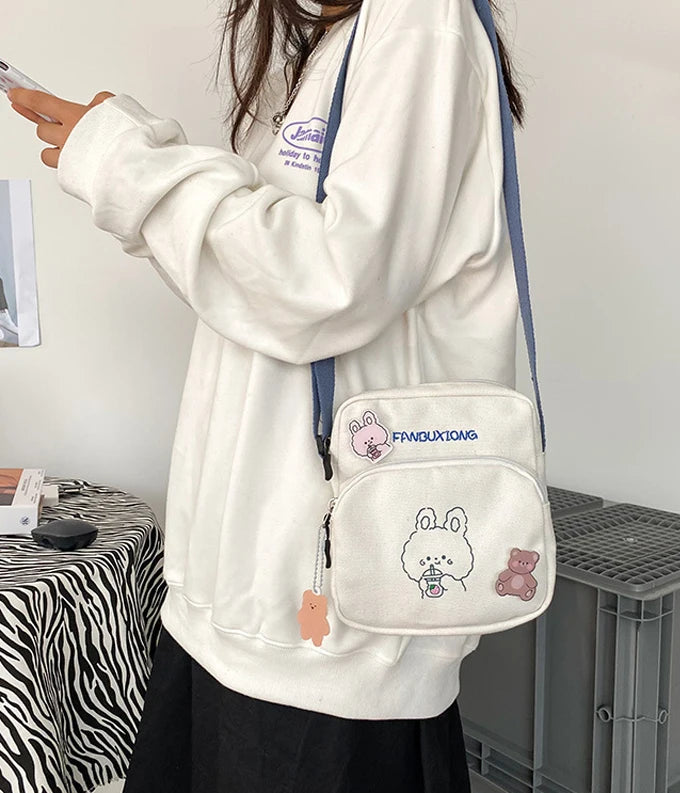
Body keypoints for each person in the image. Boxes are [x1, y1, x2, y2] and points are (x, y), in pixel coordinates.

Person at [7, 0, 531, 789]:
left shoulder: (420, 20)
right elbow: (258, 298)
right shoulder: (338, 40)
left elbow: (327, 283)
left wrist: (131, 168)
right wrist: (135, 169)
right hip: (245, 612)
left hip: (322, 644)